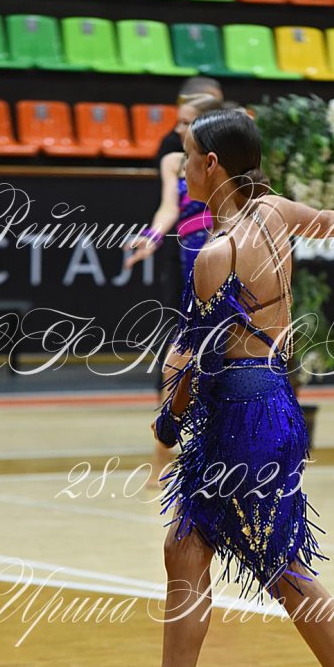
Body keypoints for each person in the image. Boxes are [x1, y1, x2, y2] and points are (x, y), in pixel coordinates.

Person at [113, 109, 334, 667]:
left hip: (242, 417)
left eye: (188, 156)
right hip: (271, 402)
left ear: (212, 164)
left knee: (279, 565)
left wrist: (167, 422)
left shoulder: (216, 254)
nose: (183, 168)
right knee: (185, 546)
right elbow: (324, 220)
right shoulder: (273, 212)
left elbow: (197, 360)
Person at [126, 92, 224, 484]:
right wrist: (151, 238)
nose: (177, 129)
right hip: (191, 257)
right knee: (180, 357)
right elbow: (169, 208)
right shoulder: (173, 161)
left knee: (222, 355)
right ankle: (161, 456)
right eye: (178, 121)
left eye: (186, 123)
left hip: (225, 251)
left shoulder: (226, 161)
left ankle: (221, 456)